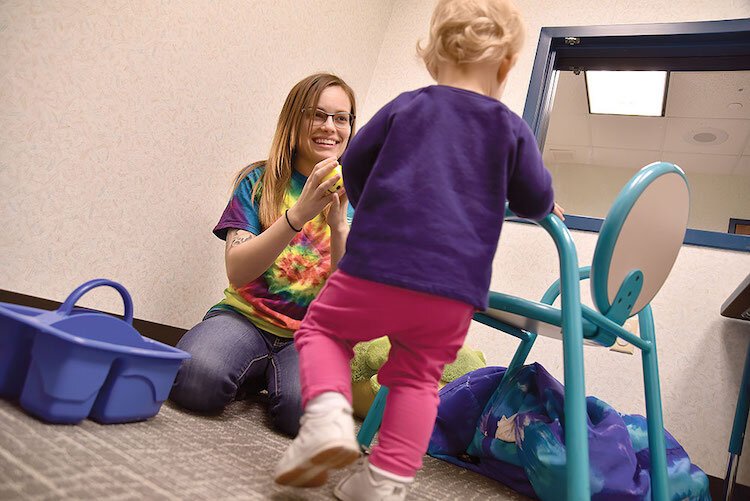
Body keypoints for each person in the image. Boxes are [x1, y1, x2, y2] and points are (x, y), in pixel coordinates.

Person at [273, 0, 565, 499]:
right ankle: (386, 480)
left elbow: (357, 167)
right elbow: (535, 199)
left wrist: (370, 208)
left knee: (324, 330)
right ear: (506, 65)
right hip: (452, 291)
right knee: (417, 379)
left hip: (377, 266)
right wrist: (545, 202)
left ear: (432, 58)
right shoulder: (512, 129)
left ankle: (325, 420)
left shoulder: (408, 106)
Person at [169, 73, 356, 437]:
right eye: (317, 115)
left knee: (304, 418)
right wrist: (296, 216)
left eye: (341, 118)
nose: (329, 127)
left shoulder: (358, 200)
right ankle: (254, 370)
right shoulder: (258, 181)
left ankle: (266, 377)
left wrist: (339, 228)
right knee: (194, 381)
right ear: (294, 120)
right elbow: (238, 272)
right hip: (243, 319)